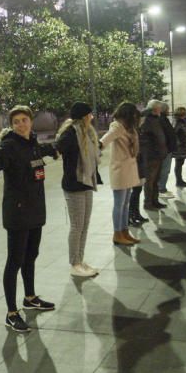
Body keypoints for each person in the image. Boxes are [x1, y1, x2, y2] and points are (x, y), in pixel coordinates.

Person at [0, 106, 59, 334]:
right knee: (14, 261)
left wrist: (51, 150)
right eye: (16, 122)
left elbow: (38, 153)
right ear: (12, 125)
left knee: (31, 256)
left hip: (35, 209)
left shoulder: (31, 142)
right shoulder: (10, 145)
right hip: (17, 212)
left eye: (24, 120)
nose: (21, 124)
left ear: (31, 122)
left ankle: (30, 298)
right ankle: (11, 313)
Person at [55, 102, 103, 278]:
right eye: (90, 115)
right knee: (77, 226)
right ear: (84, 116)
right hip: (73, 184)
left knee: (85, 225)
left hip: (86, 182)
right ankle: (74, 263)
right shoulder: (69, 134)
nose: (92, 117)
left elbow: (93, 153)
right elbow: (57, 147)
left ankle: (80, 260)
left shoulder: (87, 133)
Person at [100, 101, 144, 246]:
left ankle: (125, 231)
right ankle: (117, 233)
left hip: (129, 169)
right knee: (119, 204)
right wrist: (95, 147)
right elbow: (104, 141)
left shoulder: (128, 128)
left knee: (125, 204)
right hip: (120, 170)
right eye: (133, 114)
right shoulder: (117, 127)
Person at [140, 100, 169, 210]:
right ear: (154, 109)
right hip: (151, 156)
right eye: (159, 108)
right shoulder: (146, 120)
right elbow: (144, 139)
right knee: (150, 181)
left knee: (156, 180)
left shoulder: (155, 119)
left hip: (158, 155)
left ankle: (155, 201)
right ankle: (148, 203)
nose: (160, 110)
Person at [157, 102, 177, 198]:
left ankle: (162, 188)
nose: (169, 111)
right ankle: (161, 189)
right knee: (164, 170)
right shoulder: (161, 120)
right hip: (165, 150)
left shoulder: (163, 119)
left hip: (168, 149)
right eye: (168, 109)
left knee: (165, 170)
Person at [172, 106, 186, 189]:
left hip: (182, 147)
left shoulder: (181, 121)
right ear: (182, 114)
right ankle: (179, 181)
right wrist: (181, 143)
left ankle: (180, 180)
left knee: (180, 164)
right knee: (178, 165)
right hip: (180, 148)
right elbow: (177, 135)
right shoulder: (178, 122)